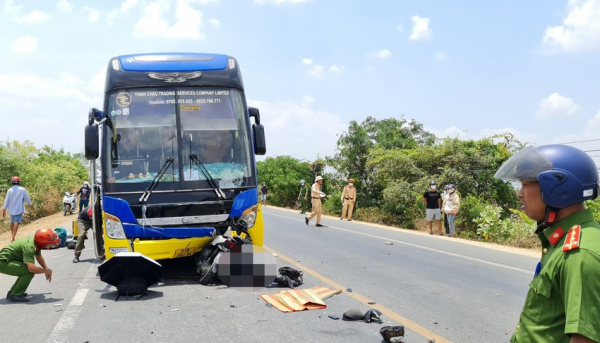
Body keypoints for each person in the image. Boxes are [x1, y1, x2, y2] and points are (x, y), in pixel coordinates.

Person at [495, 144, 600, 343]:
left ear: (559, 189)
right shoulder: (564, 241)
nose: (519, 193)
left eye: (526, 184)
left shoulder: (580, 253)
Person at [0, 228, 58, 302]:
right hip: (3, 262)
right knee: (29, 271)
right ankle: (15, 295)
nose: (50, 245)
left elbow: (38, 257)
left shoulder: (36, 242)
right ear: (42, 242)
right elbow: (32, 268)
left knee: (26, 270)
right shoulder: (30, 246)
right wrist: (46, 271)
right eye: (49, 243)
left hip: (7, 260)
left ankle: (14, 292)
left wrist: (46, 268)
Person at [2, 176, 32, 242]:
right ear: (19, 182)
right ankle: (13, 237)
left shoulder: (9, 190)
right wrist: (30, 204)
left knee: (12, 222)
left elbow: (6, 200)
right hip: (19, 209)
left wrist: (4, 209)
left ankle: (12, 236)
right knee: (16, 222)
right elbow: (27, 198)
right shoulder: (22, 189)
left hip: (11, 209)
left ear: (12, 182)